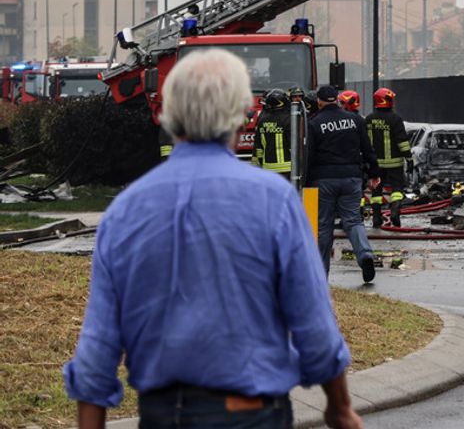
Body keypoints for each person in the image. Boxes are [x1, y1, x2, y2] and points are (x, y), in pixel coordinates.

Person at [63, 48, 362, 429]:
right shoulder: (275, 200)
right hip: (252, 413)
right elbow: (312, 319)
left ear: (168, 116)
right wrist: (339, 406)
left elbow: (99, 342)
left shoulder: (126, 210)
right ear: (240, 116)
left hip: (164, 414)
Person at [306, 85, 379, 283]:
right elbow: (367, 148)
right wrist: (374, 174)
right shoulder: (355, 120)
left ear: (319, 101)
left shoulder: (314, 123)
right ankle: (365, 255)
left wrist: (305, 182)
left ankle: (321, 273)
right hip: (351, 177)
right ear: (337, 99)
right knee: (353, 220)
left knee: (323, 226)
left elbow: (309, 156)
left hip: (323, 180)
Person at [365, 88, 411, 228]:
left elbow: (365, 140)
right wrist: (408, 157)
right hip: (395, 163)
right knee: (397, 188)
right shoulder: (395, 119)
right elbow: (402, 141)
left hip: (376, 163)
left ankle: (377, 218)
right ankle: (395, 210)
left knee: (376, 192)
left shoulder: (369, 119)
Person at [252, 88, 298, 180]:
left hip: (267, 168)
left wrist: (257, 166)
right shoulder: (289, 120)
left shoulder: (262, 120)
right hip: (287, 168)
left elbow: (258, 146)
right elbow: (293, 146)